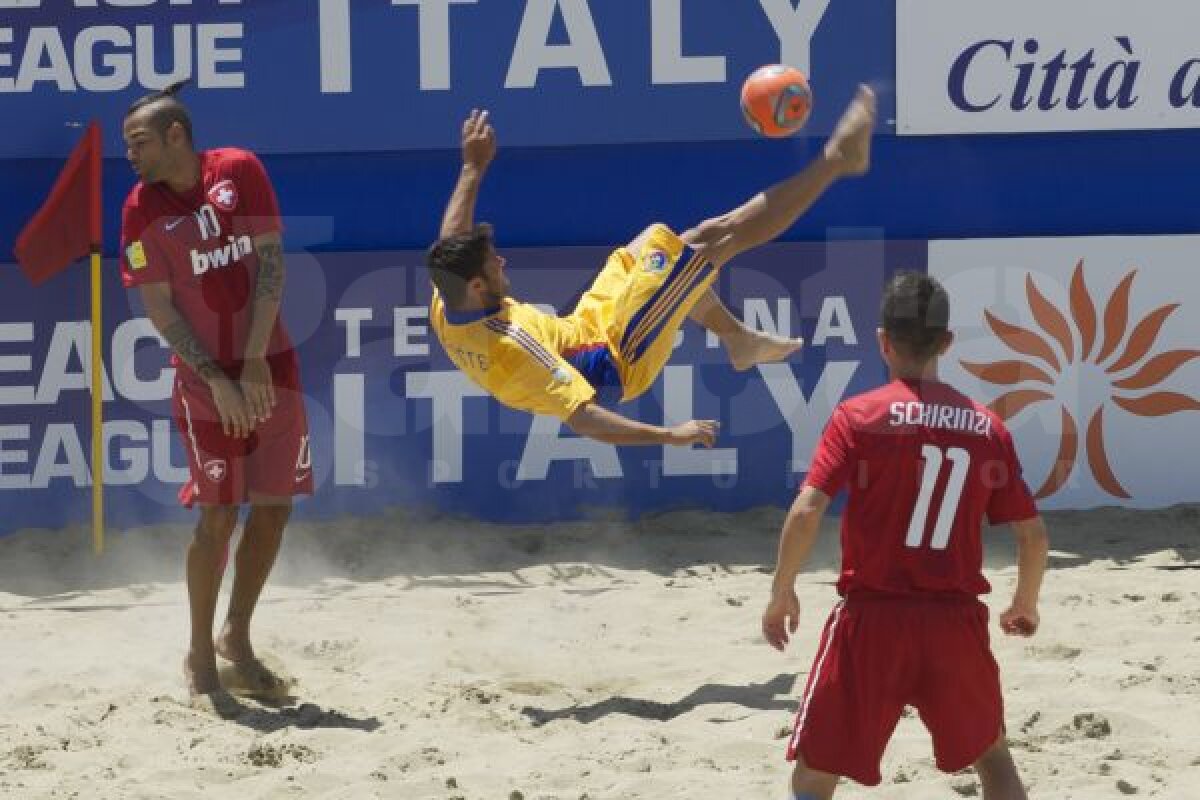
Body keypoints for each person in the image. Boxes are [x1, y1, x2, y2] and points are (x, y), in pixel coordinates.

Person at [428, 87, 876, 448]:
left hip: (585, 327)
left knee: (655, 242)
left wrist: (472, 167)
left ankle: (738, 339)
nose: (502, 261)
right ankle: (838, 161)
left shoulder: (448, 297)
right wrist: (671, 435)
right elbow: (584, 418)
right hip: (619, 357)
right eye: (493, 263)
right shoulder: (515, 348)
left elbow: (451, 238)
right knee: (711, 239)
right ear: (477, 284)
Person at [761, 271, 1050, 799]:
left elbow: (807, 511)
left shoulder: (859, 416)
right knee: (994, 757)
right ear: (947, 343)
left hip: (872, 619)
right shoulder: (988, 428)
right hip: (955, 621)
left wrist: (782, 590)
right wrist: (1024, 603)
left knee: (815, 770)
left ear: (882, 341)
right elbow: (1032, 536)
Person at [119, 82, 311, 711]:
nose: (130, 155)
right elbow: (159, 309)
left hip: (270, 364)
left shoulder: (239, 169)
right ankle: (200, 656)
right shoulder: (139, 208)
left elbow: (273, 265)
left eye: (139, 142)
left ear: (176, 135)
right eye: (127, 146)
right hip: (205, 381)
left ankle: (237, 636)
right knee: (219, 515)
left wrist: (253, 362)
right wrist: (221, 379)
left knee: (274, 507)